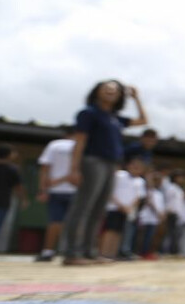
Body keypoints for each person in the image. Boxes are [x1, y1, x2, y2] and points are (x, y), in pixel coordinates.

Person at [62, 81, 149, 265]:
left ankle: (90, 252)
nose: (111, 91)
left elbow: (143, 121)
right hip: (93, 161)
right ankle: (73, 253)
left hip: (112, 165)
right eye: (106, 88)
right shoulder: (88, 113)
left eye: (116, 90)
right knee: (83, 207)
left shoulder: (116, 118)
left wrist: (136, 98)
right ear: (97, 92)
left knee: (98, 209)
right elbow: (80, 141)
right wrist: (74, 168)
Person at [35, 127, 77, 262]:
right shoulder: (84, 146)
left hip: (55, 190)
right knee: (75, 223)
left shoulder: (54, 145)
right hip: (76, 190)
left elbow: (44, 168)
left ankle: (48, 251)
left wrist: (43, 189)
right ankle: (72, 252)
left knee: (54, 221)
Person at [0, 145, 27, 258]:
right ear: (8, 155)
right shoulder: (12, 170)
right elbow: (18, 187)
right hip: (1, 202)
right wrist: (23, 199)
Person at [101, 157, 147, 259]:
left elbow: (139, 197)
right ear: (128, 166)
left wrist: (129, 207)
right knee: (110, 230)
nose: (136, 169)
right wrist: (120, 205)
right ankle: (104, 253)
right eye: (134, 166)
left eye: (138, 168)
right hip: (114, 207)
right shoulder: (119, 175)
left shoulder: (140, 181)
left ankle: (112, 254)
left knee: (119, 232)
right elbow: (110, 191)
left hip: (127, 210)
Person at [136, 171, 164, 258]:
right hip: (145, 217)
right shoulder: (147, 191)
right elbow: (149, 203)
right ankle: (141, 252)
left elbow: (161, 205)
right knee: (143, 236)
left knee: (151, 237)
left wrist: (161, 215)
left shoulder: (158, 193)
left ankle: (147, 252)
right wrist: (157, 212)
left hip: (154, 218)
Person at [161, 169, 185, 256]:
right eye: (180, 177)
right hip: (172, 213)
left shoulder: (179, 189)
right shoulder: (171, 188)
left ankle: (174, 251)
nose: (182, 179)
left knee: (177, 234)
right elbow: (168, 200)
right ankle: (170, 252)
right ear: (175, 178)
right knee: (172, 234)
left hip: (179, 214)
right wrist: (168, 211)